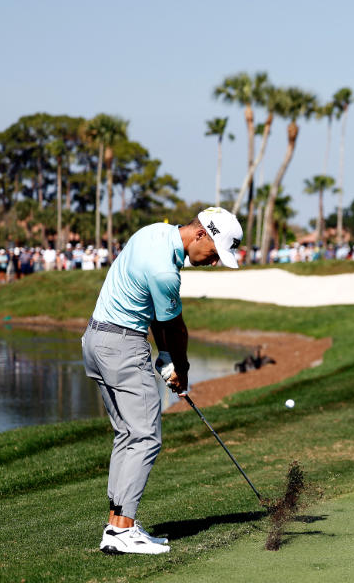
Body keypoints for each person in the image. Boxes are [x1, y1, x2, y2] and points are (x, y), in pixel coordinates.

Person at [81, 207, 242, 555]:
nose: (213, 262)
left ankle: (118, 523)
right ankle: (122, 531)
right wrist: (180, 367)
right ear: (201, 235)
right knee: (146, 436)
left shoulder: (154, 232)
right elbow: (174, 327)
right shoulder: (166, 272)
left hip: (95, 339)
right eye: (214, 253)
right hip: (122, 345)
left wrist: (165, 358)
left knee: (127, 433)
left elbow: (155, 312)